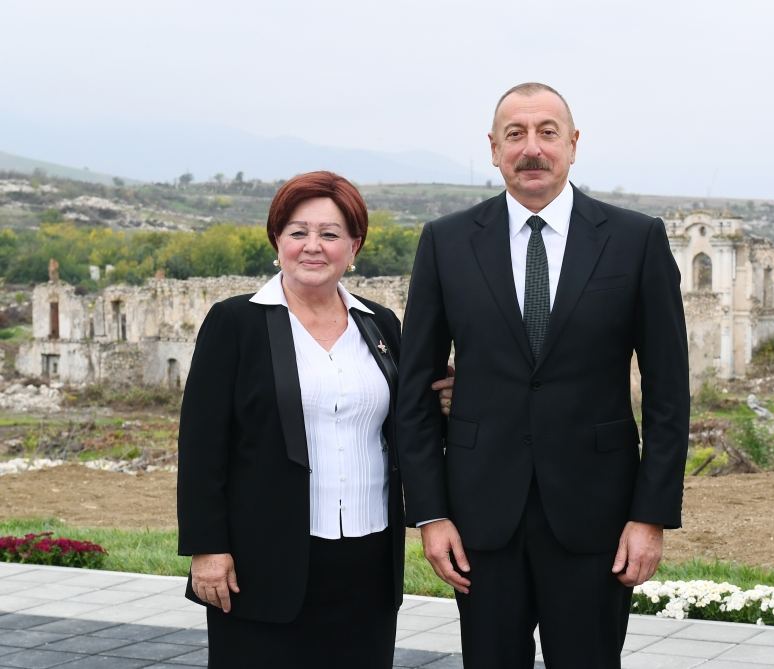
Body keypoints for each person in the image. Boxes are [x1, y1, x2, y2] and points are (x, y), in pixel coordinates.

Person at [397, 83, 690, 669]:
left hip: (598, 517)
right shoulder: (446, 243)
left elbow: (667, 393)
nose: (532, 148)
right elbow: (415, 392)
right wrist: (430, 514)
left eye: (547, 132)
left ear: (574, 144)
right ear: (493, 148)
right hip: (481, 518)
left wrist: (650, 515)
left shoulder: (636, 241)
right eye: (516, 134)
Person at [177, 171, 407, 668]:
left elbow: (405, 420)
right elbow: (201, 444)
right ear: (276, 240)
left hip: (368, 561)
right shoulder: (235, 323)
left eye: (330, 233)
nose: (313, 246)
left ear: (354, 245)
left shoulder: (381, 324)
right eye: (298, 232)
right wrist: (206, 548)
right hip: (264, 562)